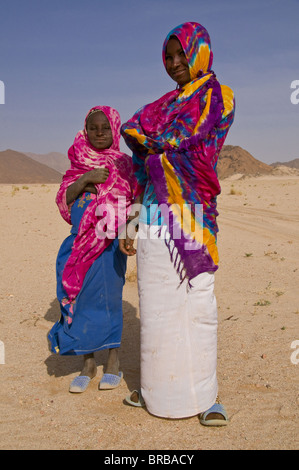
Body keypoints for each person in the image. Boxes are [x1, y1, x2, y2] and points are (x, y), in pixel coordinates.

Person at [119, 22, 235, 426]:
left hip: (193, 218)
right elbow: (136, 143)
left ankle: (206, 396)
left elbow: (199, 152)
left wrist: (156, 149)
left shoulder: (219, 96)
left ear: (199, 52)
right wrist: (132, 219)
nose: (174, 63)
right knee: (156, 308)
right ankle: (155, 389)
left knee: (197, 305)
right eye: (168, 57)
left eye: (181, 55)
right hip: (151, 216)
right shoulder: (160, 106)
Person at [48, 106, 137, 393]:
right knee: (83, 300)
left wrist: (129, 234)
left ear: (114, 130)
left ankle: (113, 360)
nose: (99, 133)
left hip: (111, 245)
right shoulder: (78, 163)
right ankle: (87, 363)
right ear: (85, 131)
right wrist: (86, 180)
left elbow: (135, 203)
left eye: (105, 128)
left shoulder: (124, 164)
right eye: (93, 128)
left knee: (110, 300)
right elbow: (64, 198)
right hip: (78, 245)